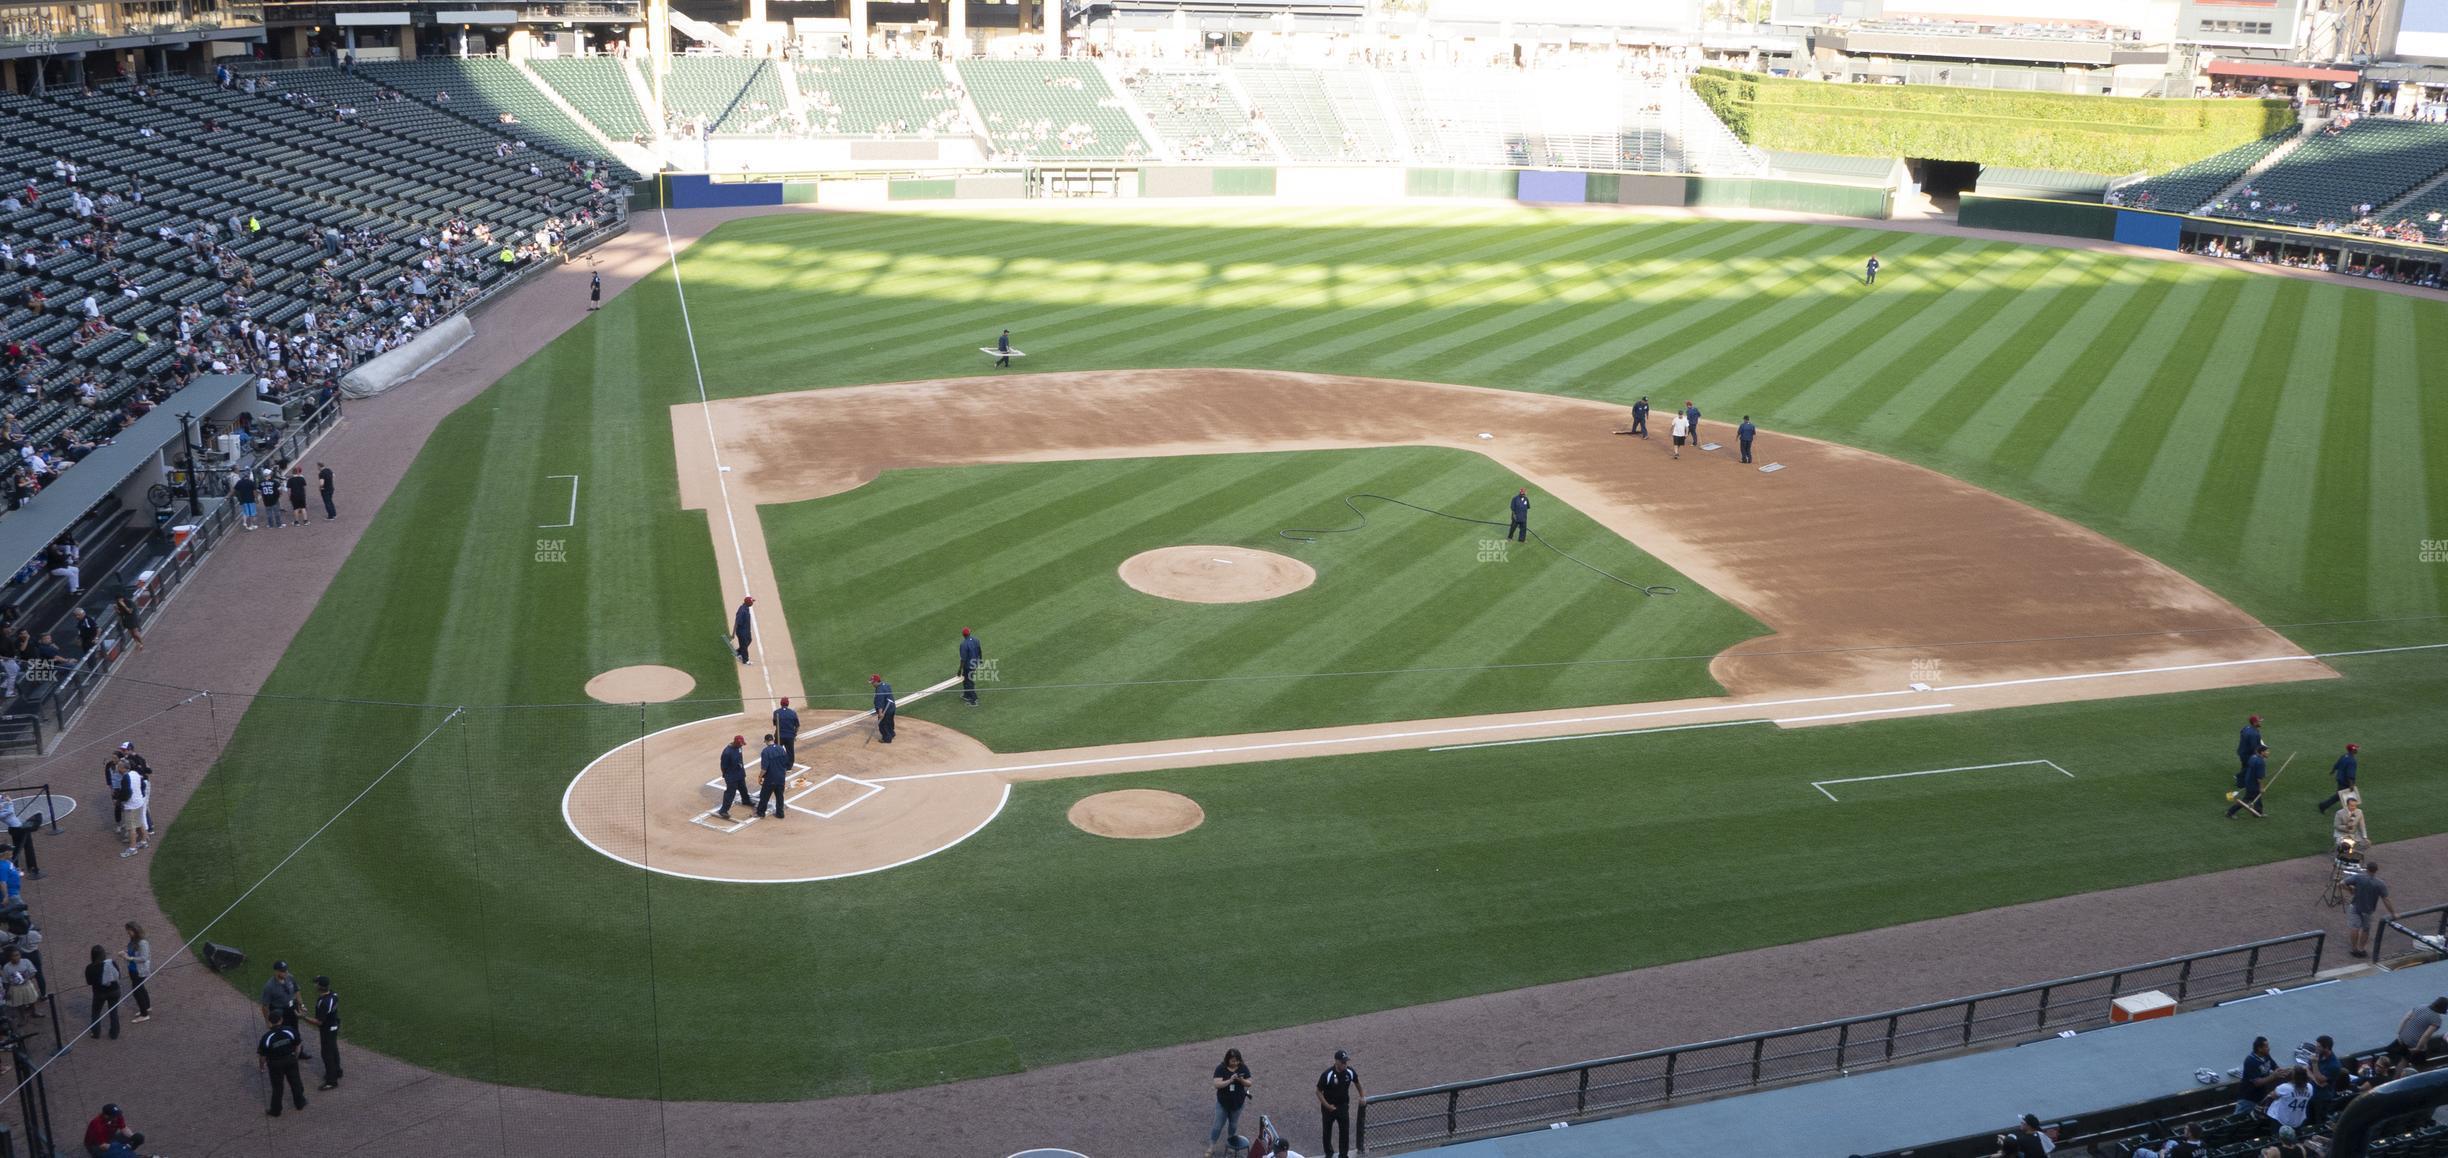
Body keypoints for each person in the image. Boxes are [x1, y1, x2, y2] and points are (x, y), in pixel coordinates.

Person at [259, 1007, 308, 1115]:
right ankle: (300, 1103)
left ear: (270, 1022)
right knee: (295, 1082)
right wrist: (295, 1056)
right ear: (281, 1020)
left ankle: (276, 1110)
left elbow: (262, 1056)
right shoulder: (289, 1030)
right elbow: (298, 1044)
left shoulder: (267, 1037)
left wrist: (262, 1066)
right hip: (290, 1060)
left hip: (275, 1064)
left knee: (277, 1087)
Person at [1316, 1049, 1360, 1158]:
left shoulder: (1349, 1072)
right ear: (1336, 1061)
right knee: (1327, 1133)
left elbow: (1358, 1083)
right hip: (1328, 1108)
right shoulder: (1327, 1074)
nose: (1345, 1064)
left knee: (1344, 1132)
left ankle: (1343, 1155)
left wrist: (1362, 1096)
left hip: (1343, 1106)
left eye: (1346, 1062)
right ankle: (1329, 1154)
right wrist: (1327, 1106)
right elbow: (1318, 1091)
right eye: (1343, 1062)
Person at [2350, 860, 2396, 959]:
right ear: (2376, 870)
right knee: (2365, 929)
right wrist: (2393, 913)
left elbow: (2342, 883)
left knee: (2355, 927)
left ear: (2366, 869)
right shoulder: (2380, 883)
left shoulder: (2358, 877)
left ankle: (2354, 949)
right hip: (2368, 910)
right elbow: (2386, 900)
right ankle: (2361, 949)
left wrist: (2351, 890)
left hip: (2355, 906)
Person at [1210, 1047, 1253, 1154]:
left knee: (1233, 1125)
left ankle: (1230, 1144)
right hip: (1223, 1104)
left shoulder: (1242, 1067)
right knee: (1218, 1125)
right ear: (1227, 1059)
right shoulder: (1221, 1068)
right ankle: (1211, 1147)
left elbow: (1249, 1083)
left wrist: (1241, 1080)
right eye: (1233, 1060)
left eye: (1237, 1060)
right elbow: (1216, 1084)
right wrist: (1230, 1080)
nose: (1235, 1063)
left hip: (1238, 1104)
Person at [305, 975, 341, 1089]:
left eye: (316, 983)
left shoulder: (323, 1003)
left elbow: (319, 1022)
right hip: (335, 1025)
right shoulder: (334, 995)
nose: (314, 985)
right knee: (333, 1049)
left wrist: (303, 1017)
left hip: (327, 1029)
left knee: (327, 1054)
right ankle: (338, 1071)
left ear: (319, 987)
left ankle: (332, 1081)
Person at [83, 944, 121, 1040]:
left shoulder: (90, 968)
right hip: (114, 991)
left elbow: (89, 982)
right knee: (113, 1012)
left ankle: (96, 1033)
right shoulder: (111, 963)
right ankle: (114, 1034)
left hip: (99, 993)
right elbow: (118, 976)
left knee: (96, 1013)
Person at [2392, 995, 2445, 1063]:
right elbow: (2426, 1035)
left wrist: (2399, 1034)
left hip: (2402, 1039)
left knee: (2402, 1060)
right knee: (2420, 1061)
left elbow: (2405, 1018)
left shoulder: (2421, 1006)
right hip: (2413, 1044)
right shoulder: (2436, 1019)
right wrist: (2418, 1048)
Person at [0, 793, 41, 877]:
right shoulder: (2, 813)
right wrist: (10, 802)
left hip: (17, 829)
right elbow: (11, 811)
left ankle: (24, 866)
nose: (1, 805)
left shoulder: (3, 810)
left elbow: (2, 799)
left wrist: (4, 798)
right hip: (18, 830)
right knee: (22, 848)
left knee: (19, 848)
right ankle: (27, 867)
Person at [2237, 1036, 2281, 1114]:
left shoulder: (2266, 1056)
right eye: (2266, 1046)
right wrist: (2274, 1076)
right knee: (2239, 1118)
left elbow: (2276, 1068)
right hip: (2248, 1098)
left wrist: (2287, 1071)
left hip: (2260, 1097)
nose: (2269, 1048)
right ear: (2259, 1049)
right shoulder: (2250, 1061)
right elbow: (2257, 1082)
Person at [2263, 1066, 2314, 1131]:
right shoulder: (2310, 1087)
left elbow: (2272, 1096)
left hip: (2279, 1120)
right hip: (2297, 1121)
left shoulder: (2285, 1087)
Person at [2227, 743, 2269, 818]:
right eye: (2266, 751)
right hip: (2253, 784)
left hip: (2248, 781)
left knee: (2257, 797)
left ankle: (2258, 812)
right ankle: (2230, 812)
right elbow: (2259, 778)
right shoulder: (2260, 762)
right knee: (2246, 800)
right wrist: (2261, 788)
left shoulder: (2253, 757)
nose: (2268, 752)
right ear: (2262, 752)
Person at [755, 733, 790, 819]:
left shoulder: (765, 751)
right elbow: (785, 764)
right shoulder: (781, 749)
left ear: (766, 741)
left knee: (764, 796)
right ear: (773, 740)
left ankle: (761, 813)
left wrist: (760, 777)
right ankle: (780, 814)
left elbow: (764, 769)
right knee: (779, 796)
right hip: (781, 778)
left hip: (770, 779)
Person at [2317, 743, 2359, 814]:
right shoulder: (2352, 761)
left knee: (2341, 794)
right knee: (2339, 796)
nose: (2357, 750)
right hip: (2345, 782)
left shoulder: (2344, 756)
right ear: (2352, 750)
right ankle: (2323, 805)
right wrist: (2351, 784)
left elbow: (2337, 764)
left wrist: (2333, 770)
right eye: (2356, 749)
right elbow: (2350, 774)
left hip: (2340, 778)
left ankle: (2348, 808)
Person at [122, 922, 151, 1022]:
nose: (128, 933)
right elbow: (132, 952)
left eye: (129, 931)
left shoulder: (142, 942)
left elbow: (144, 957)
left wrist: (129, 958)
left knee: (137, 992)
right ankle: (147, 1007)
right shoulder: (133, 940)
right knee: (141, 988)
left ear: (135, 930)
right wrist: (125, 953)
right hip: (133, 969)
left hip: (139, 970)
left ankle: (144, 1014)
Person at [116, 768, 148, 858]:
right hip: (139, 802)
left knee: (131, 828)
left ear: (123, 769)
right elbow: (143, 785)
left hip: (131, 806)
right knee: (140, 822)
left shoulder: (125, 778)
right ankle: (143, 842)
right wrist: (139, 795)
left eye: (119, 767)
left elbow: (126, 793)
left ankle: (132, 849)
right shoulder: (135, 773)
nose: (118, 769)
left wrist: (119, 800)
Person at [958, 627, 984, 706]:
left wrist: (959, 670)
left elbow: (963, 659)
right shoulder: (976, 640)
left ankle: (974, 699)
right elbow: (980, 650)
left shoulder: (963, 645)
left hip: (968, 666)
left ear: (963, 635)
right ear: (970, 633)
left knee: (969, 681)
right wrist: (980, 660)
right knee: (966, 679)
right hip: (975, 663)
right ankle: (967, 694)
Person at [772, 698, 799, 765]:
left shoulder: (776, 712)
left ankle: (778, 764)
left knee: (776, 751)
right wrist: (794, 734)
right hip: (790, 736)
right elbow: (797, 726)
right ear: (788, 704)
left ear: (781, 704)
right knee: (790, 752)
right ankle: (789, 767)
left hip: (779, 736)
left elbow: (775, 724)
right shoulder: (793, 713)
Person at [871, 675, 896, 743]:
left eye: (873, 682)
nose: (872, 684)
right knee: (890, 722)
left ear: (876, 681)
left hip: (885, 711)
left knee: (883, 725)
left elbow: (880, 703)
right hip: (892, 708)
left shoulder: (879, 690)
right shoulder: (886, 685)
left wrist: (880, 713)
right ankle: (892, 734)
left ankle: (887, 739)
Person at [730, 596, 755, 664]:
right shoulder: (742, 611)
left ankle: (738, 652)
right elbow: (737, 622)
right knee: (744, 645)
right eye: (752, 602)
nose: (753, 603)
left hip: (746, 630)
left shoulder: (746, 608)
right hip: (742, 632)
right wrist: (733, 634)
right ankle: (745, 660)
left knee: (749, 640)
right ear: (748, 603)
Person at [2238, 713, 2263, 778]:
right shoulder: (2253, 734)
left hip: (2241, 751)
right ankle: (2239, 778)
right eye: (2259, 721)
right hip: (2247, 754)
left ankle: (2240, 779)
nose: (2260, 722)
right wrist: (2259, 755)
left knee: (2245, 766)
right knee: (2249, 767)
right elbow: (2254, 747)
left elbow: (2241, 732)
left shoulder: (2246, 727)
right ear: (2254, 723)